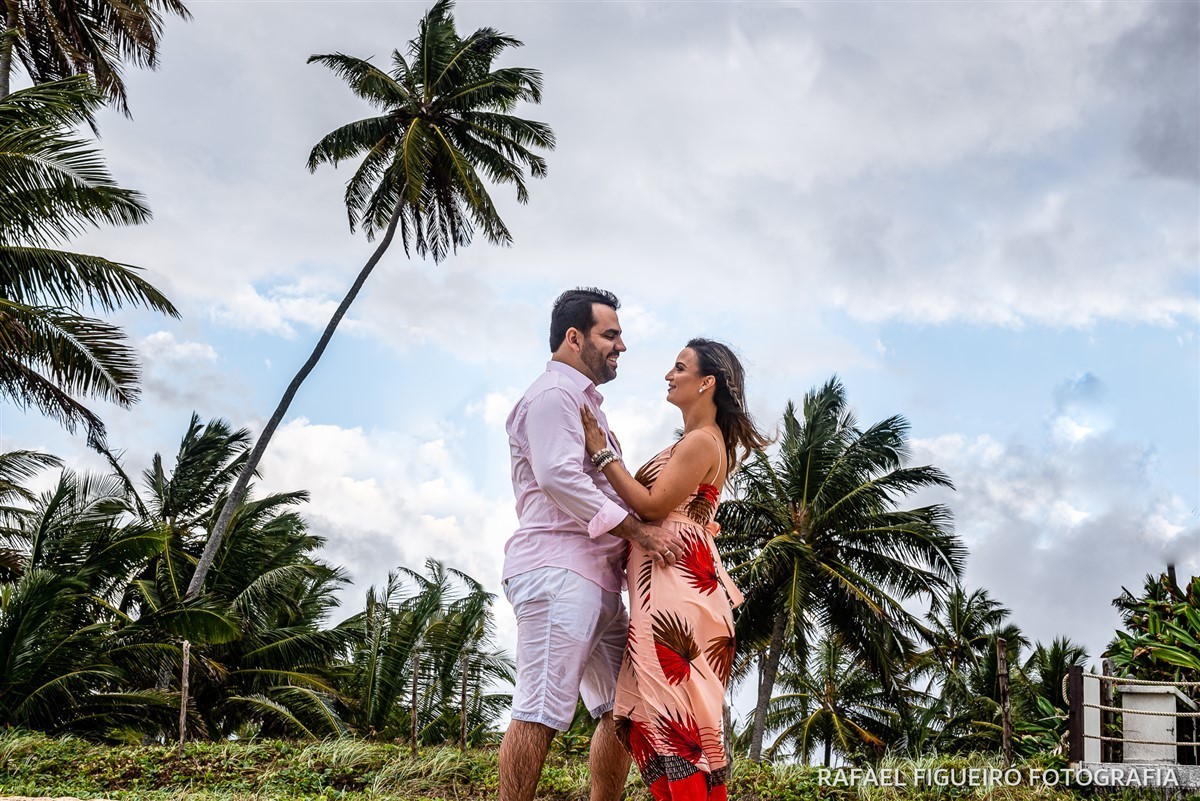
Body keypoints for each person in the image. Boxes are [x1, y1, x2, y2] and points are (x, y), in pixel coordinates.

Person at [498, 288, 688, 801]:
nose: (621, 346)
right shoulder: (553, 396)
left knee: (622, 711)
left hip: (597, 579)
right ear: (574, 337)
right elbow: (558, 477)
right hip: (559, 570)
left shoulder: (582, 404)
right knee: (539, 711)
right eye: (611, 334)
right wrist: (640, 532)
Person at [580, 338, 770, 801]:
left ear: (706, 383)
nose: (669, 374)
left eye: (680, 367)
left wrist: (603, 453)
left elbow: (651, 505)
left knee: (675, 725)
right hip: (669, 589)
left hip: (673, 594)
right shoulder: (698, 441)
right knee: (656, 721)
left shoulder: (702, 441)